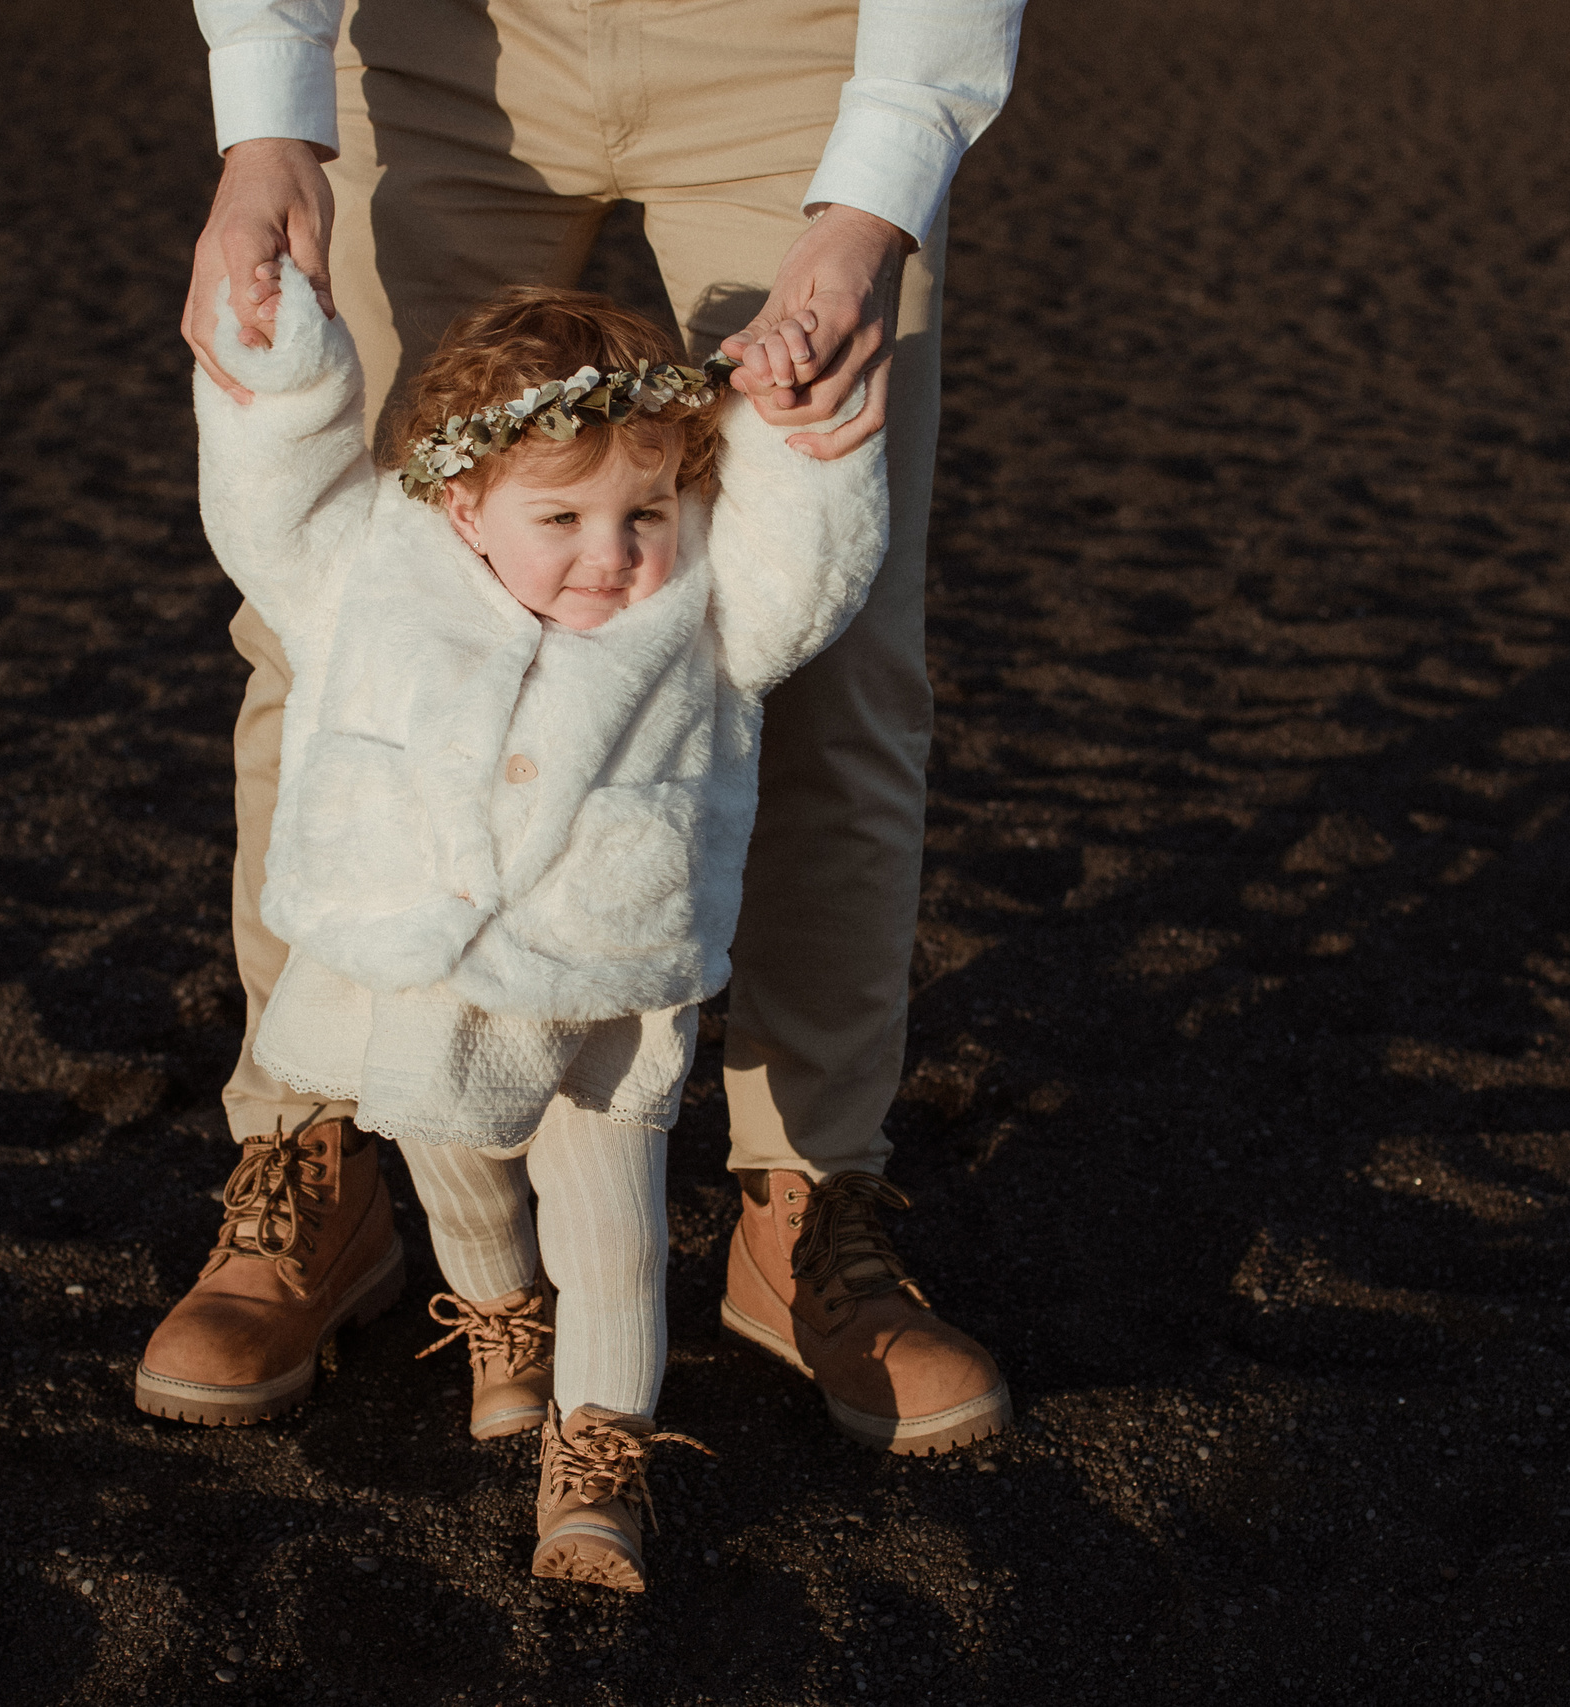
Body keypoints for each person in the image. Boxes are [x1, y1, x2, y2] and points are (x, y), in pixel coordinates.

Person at [136, 0, 1025, 1459]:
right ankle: (312, 1154)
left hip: (794, 54)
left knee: (838, 651)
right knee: (340, 625)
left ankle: (804, 1200)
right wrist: (268, 119)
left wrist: (880, 188)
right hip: (432, 52)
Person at [169, 268, 916, 1587]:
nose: (611, 552)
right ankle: (503, 1324)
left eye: (645, 511)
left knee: (612, 1236)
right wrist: (282, 378)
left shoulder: (706, 613)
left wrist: (803, 449)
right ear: (462, 504)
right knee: (456, 1172)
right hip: (422, 981)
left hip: (610, 996)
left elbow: (801, 564)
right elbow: (274, 509)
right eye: (559, 514)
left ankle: (598, 1462)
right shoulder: (376, 578)